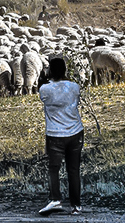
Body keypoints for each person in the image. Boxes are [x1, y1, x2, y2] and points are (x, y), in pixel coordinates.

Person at [38, 56, 84, 216]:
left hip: (55, 134)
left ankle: (56, 199)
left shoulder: (45, 89)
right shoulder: (74, 87)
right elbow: (75, 101)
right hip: (76, 132)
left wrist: (43, 77)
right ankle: (76, 206)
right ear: (64, 70)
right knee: (73, 170)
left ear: (50, 70)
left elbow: (43, 96)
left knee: (54, 168)